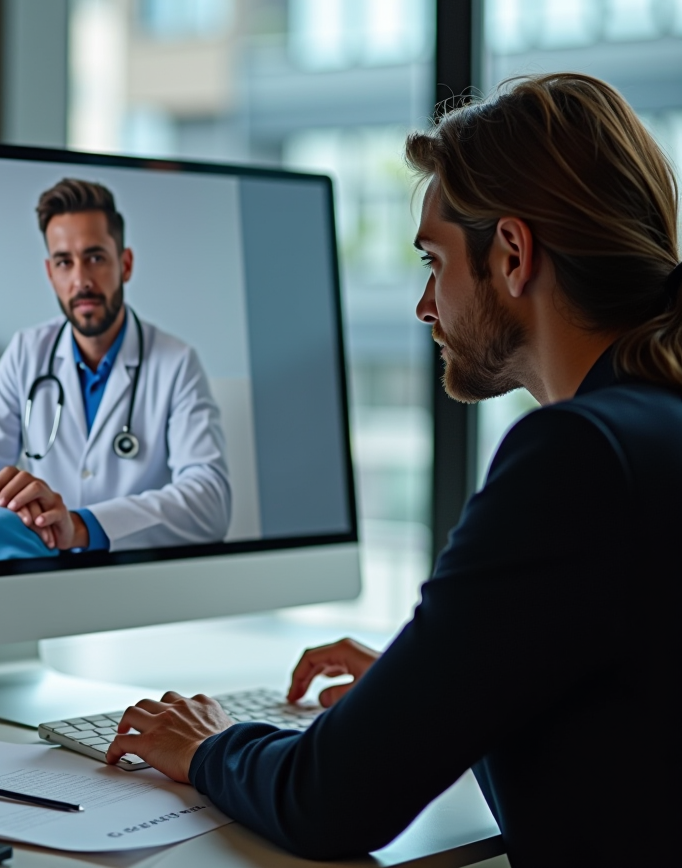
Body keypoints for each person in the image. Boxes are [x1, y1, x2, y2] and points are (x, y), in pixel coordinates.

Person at [104, 73, 682, 867]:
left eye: (432, 260)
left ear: (513, 254)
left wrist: (209, 745)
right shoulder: (656, 425)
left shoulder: (581, 456)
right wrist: (439, 684)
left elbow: (330, 801)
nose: (422, 306)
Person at [0, 178, 231, 553]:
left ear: (124, 264)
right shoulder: (27, 352)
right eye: (64, 262)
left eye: (95, 258)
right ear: (50, 274)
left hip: (136, 577)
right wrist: (0, 503)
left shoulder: (176, 364)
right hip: (43, 568)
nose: (81, 280)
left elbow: (211, 502)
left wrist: (81, 526)